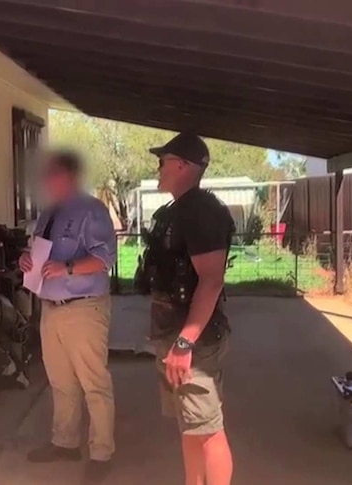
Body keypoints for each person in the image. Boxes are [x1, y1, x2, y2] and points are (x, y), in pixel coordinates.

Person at [139, 132, 235, 485]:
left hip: (193, 341)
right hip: (172, 335)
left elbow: (211, 281)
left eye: (163, 161)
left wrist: (185, 343)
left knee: (208, 429)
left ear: (183, 166)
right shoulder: (177, 210)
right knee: (191, 426)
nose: (158, 167)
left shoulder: (203, 212)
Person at [20, 150, 117, 484]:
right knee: (61, 382)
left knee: (94, 383)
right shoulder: (48, 212)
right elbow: (39, 249)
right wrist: (26, 260)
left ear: (70, 176)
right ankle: (65, 442)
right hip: (51, 307)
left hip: (84, 307)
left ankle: (101, 452)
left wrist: (68, 267)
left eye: (53, 175)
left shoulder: (91, 210)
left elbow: (106, 258)